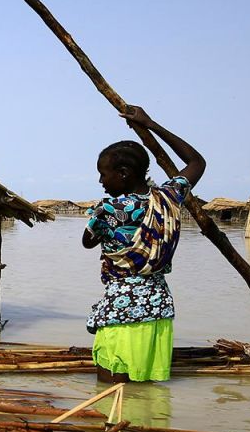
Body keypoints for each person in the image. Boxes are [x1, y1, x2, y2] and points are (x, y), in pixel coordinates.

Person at [82, 106, 205, 383]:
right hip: (158, 308)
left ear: (123, 173)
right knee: (148, 393)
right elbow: (197, 162)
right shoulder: (168, 198)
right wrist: (151, 124)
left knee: (111, 391)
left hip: (121, 311)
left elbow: (87, 242)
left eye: (104, 173)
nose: (101, 181)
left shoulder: (108, 209)